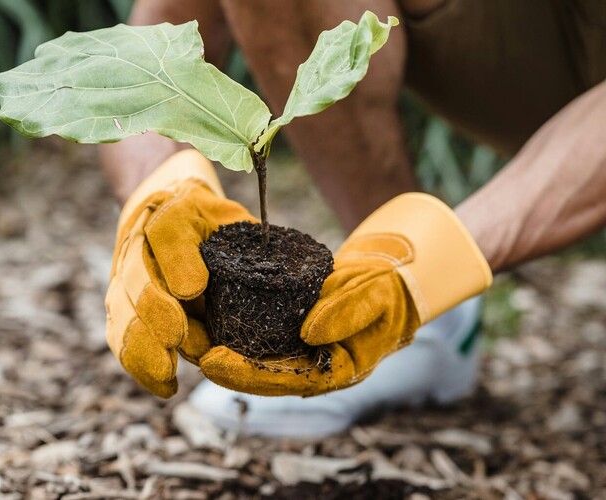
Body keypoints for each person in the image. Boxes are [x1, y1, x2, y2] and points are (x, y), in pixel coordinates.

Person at [101, 0, 606, 437]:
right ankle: (416, 326)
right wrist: (159, 186)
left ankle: (415, 307)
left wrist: (430, 260)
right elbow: (149, 51)